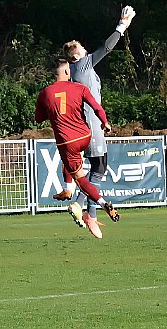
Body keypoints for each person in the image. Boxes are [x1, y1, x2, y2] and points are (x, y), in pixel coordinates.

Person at [57, 5, 135, 239]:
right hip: (91, 124)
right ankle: (83, 206)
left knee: (94, 168)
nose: (85, 49)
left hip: (79, 126)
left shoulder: (71, 69)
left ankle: (90, 211)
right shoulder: (83, 64)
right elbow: (107, 47)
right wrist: (122, 25)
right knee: (99, 168)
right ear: (78, 54)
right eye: (82, 48)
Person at [35, 59, 120, 229]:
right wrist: (105, 122)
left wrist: (53, 112)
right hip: (85, 136)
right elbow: (96, 107)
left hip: (67, 141)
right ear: (67, 72)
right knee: (71, 164)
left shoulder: (45, 93)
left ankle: (103, 203)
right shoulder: (80, 88)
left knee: (80, 179)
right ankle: (67, 190)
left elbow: (38, 119)